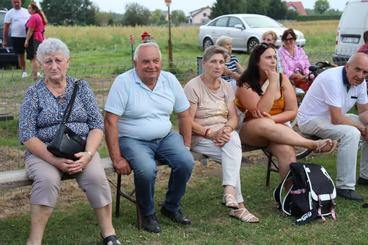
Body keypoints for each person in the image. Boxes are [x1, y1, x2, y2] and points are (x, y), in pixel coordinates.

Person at [18, 38, 121, 245]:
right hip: (44, 154)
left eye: (58, 60)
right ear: (40, 64)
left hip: (80, 151)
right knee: (47, 180)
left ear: (68, 62)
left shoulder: (81, 88)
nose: (54, 66)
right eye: (48, 61)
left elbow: (96, 125)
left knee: (96, 178)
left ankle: (109, 234)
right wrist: (54, 161)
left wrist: (88, 154)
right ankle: (34, 240)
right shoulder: (33, 93)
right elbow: (27, 135)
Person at [104, 42, 194, 233]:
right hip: (132, 138)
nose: (151, 66)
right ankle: (147, 213)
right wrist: (117, 158)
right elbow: (110, 121)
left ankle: (171, 207)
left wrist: (186, 144)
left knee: (186, 161)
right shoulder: (123, 82)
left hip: (165, 136)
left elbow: (184, 113)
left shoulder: (169, 79)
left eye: (155, 61)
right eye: (145, 61)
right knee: (146, 169)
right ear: (135, 62)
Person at [235, 43, 337, 180]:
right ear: (257, 61)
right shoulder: (245, 83)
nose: (273, 61)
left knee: (287, 152)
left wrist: (272, 121)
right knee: (263, 123)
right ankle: (311, 145)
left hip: (278, 129)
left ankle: (290, 197)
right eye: (268, 58)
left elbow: (292, 111)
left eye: (274, 57)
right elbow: (260, 112)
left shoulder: (283, 79)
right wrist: (272, 83)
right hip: (252, 130)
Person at [184, 46, 259, 223]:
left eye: (221, 62)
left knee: (232, 141)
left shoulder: (226, 86)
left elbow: (233, 117)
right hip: (200, 135)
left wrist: (226, 129)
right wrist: (210, 133)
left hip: (223, 136)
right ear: (204, 63)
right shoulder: (193, 86)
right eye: (213, 62)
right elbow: (187, 121)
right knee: (233, 152)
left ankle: (231, 197)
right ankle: (236, 203)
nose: (218, 66)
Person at [297, 53, 368, 201]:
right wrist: (362, 128)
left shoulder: (360, 82)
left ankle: (365, 176)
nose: (361, 76)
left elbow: (364, 111)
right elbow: (337, 119)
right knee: (352, 133)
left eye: (365, 72)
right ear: (347, 67)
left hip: (331, 117)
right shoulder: (332, 79)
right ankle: (345, 187)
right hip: (311, 120)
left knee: (362, 127)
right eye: (358, 69)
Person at [3, 0, 30, 78]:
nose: (16, 4)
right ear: (12, 3)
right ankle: (24, 71)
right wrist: (5, 40)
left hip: (28, 36)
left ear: (21, 2)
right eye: (15, 2)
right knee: (21, 54)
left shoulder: (26, 11)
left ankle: (36, 70)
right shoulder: (9, 13)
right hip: (16, 37)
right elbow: (6, 28)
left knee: (33, 54)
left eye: (18, 2)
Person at [24, 2, 47, 81]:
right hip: (40, 38)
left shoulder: (33, 17)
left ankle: (35, 76)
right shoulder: (39, 16)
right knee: (38, 57)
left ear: (34, 9)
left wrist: (26, 40)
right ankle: (44, 74)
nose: (28, 9)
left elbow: (30, 30)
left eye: (29, 8)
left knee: (33, 58)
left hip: (34, 38)